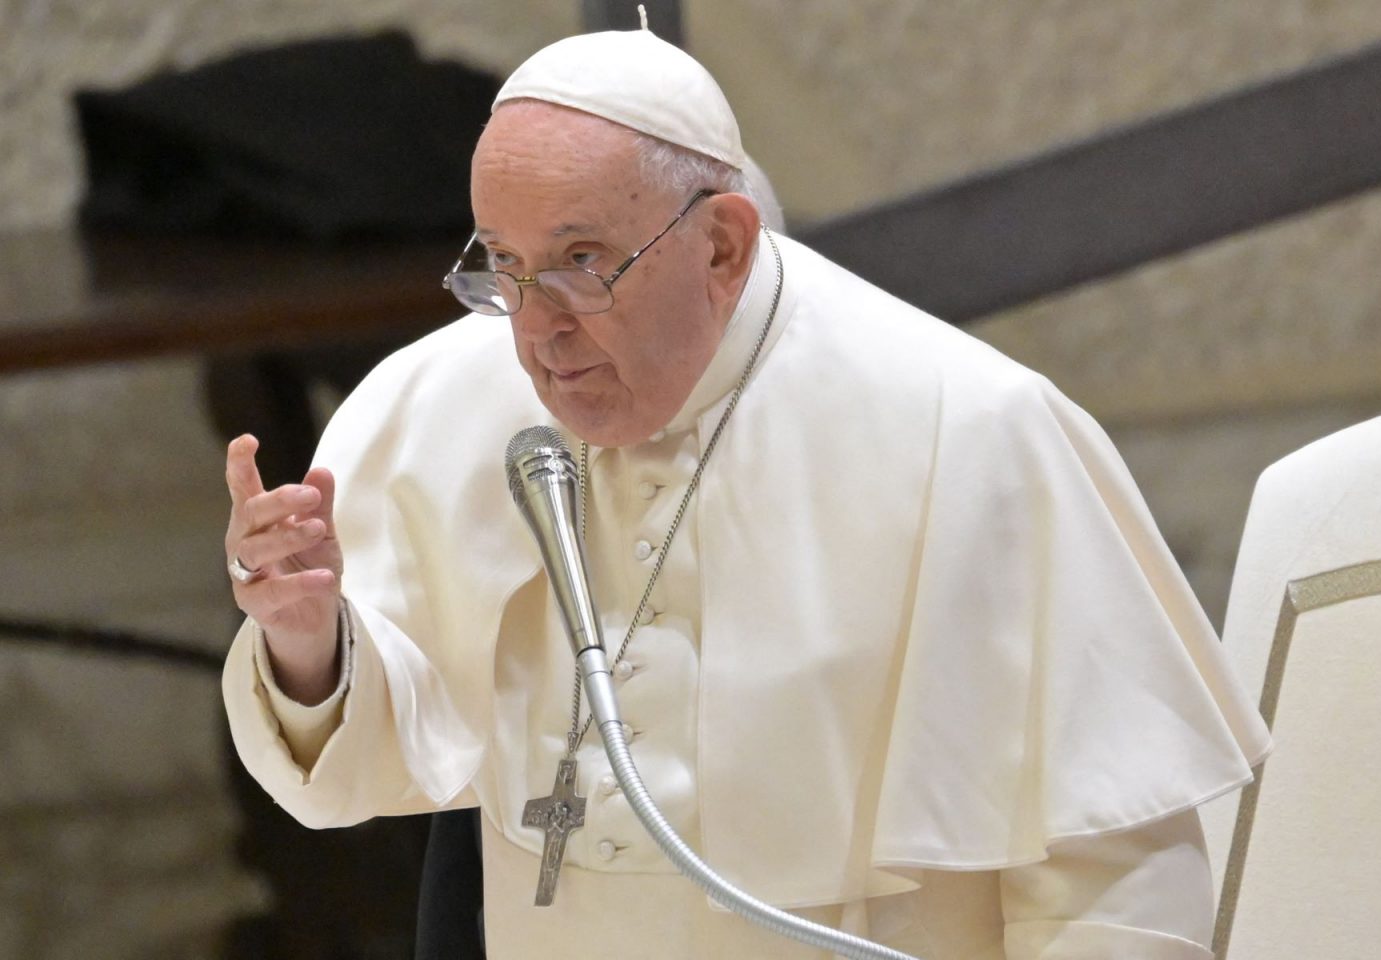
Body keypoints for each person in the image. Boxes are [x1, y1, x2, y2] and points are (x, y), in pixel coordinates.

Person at [222, 26, 1271, 959]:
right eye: (504, 263)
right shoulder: (446, 402)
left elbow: (1114, 863)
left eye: (582, 261)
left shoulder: (968, 428)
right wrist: (308, 644)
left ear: (720, 244)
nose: (536, 328)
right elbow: (362, 766)